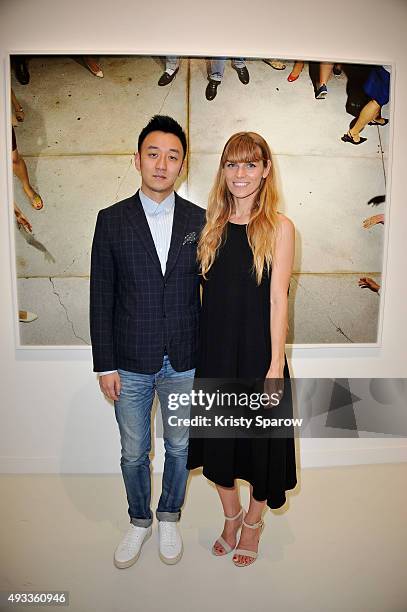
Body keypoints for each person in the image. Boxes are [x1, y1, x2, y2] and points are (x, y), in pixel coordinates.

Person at [90, 115, 205, 568]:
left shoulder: (200, 220)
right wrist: (105, 364)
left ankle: (170, 515)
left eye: (172, 156)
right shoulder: (111, 220)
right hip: (130, 362)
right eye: (153, 154)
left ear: (183, 165)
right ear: (137, 159)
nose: (162, 163)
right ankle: (139, 521)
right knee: (134, 451)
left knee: (179, 446)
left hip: (185, 360)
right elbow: (102, 295)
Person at [187, 132, 297, 567]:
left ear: (266, 170)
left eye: (251, 164)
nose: (241, 174)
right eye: (233, 164)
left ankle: (253, 523)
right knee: (220, 448)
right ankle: (230, 517)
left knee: (260, 449)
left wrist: (274, 364)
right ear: (223, 171)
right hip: (215, 356)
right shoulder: (209, 227)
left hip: (258, 357)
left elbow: (277, 300)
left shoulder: (280, 228)